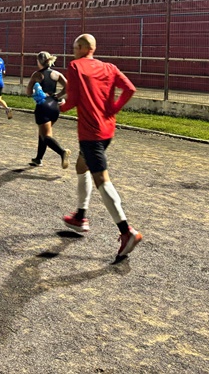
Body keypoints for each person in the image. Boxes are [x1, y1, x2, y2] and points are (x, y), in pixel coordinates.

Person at [59, 34, 141, 259]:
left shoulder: (75, 66)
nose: (73, 51)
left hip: (91, 134)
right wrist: (113, 109)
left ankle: (127, 231)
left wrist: (58, 107)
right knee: (81, 165)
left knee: (102, 180)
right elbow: (130, 89)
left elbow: (72, 100)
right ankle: (80, 215)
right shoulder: (109, 67)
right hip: (107, 130)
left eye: (74, 47)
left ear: (81, 47)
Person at [26, 51, 70, 168]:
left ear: (38, 61)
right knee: (43, 134)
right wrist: (59, 95)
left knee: (45, 136)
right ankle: (38, 159)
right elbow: (68, 86)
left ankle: (62, 152)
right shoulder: (56, 74)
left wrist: (35, 92)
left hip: (43, 106)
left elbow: (28, 92)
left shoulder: (37, 75)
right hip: (54, 105)